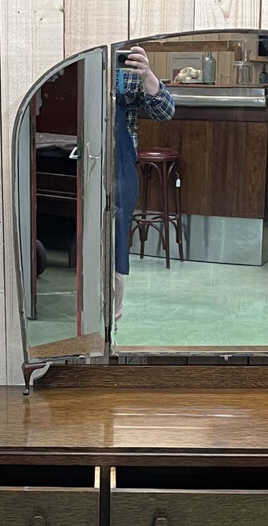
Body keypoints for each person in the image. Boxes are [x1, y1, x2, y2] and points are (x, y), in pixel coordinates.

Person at [114, 45, 175, 328]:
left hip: (119, 169)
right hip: (78, 161)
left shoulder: (128, 74)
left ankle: (110, 324)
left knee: (116, 244)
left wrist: (147, 74)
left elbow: (165, 111)